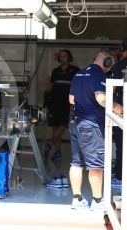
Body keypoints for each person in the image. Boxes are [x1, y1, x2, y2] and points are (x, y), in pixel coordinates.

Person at [68, 49, 122, 210]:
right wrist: (120, 108)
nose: (111, 66)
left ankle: (77, 199)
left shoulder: (79, 74)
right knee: (96, 165)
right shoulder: (99, 74)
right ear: (107, 60)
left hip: (75, 123)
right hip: (91, 125)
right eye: (111, 62)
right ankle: (98, 202)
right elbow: (102, 99)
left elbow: (71, 100)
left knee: (77, 162)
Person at [44, 49, 80, 189]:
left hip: (68, 103)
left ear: (69, 58)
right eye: (61, 56)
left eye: (65, 56)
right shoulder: (55, 71)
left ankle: (48, 144)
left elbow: (79, 85)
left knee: (64, 125)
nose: (62, 58)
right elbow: (50, 85)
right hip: (55, 102)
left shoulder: (75, 70)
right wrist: (46, 99)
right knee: (55, 126)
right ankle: (57, 151)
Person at [111, 38, 127, 189]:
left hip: (122, 111)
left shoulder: (120, 66)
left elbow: (112, 89)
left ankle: (121, 177)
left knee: (122, 144)